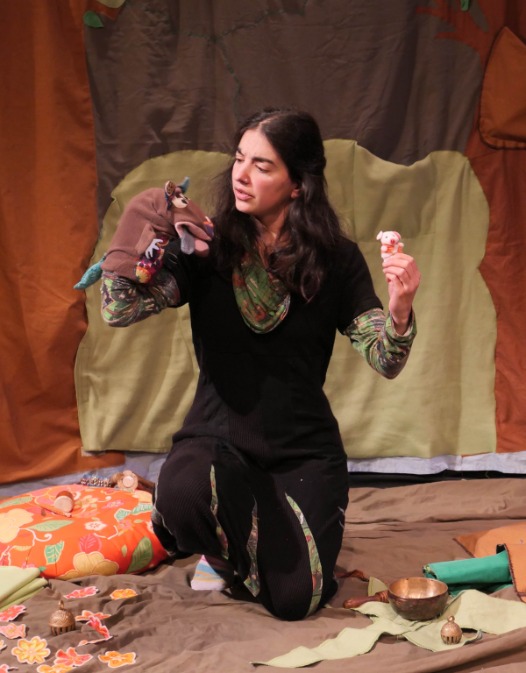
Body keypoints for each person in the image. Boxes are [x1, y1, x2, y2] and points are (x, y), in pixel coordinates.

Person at [100, 107, 421, 621]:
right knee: (183, 493)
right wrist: (134, 239)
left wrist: (400, 308)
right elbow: (119, 311)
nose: (242, 175)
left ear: (298, 185)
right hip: (217, 440)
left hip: (303, 453)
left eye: (262, 165)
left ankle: (243, 543)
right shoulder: (206, 246)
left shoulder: (335, 259)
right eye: (239, 159)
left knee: (296, 601)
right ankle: (222, 549)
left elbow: (385, 360)